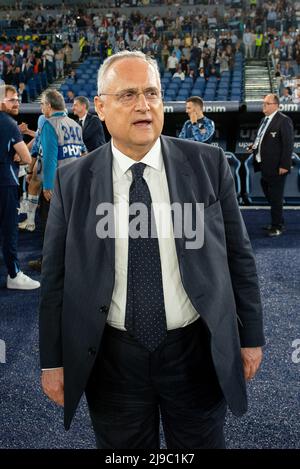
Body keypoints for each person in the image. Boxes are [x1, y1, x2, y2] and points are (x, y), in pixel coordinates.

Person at [39, 51, 264, 449]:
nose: (143, 105)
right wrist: (52, 360)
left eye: (152, 93)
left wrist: (252, 337)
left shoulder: (209, 163)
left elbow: (239, 258)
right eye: (128, 95)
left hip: (195, 352)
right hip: (112, 359)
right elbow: (55, 278)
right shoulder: (72, 181)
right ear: (101, 108)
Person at [28, 90, 86, 272]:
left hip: (57, 184)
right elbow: (84, 153)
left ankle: (49, 262)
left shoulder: (48, 125)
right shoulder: (75, 124)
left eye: (42, 104)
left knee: (50, 226)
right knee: (71, 224)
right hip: (74, 183)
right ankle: (73, 260)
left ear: (49, 106)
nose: (41, 107)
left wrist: (47, 186)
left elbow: (50, 158)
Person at [0, 84, 40, 290]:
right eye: (12, 100)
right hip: (5, 183)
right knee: (9, 232)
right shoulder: (9, 123)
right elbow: (25, 157)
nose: (17, 103)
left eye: (17, 99)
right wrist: (18, 157)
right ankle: (14, 275)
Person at [249, 94, 294, 237]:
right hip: (265, 166)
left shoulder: (284, 121)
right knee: (270, 193)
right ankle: (278, 218)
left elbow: (288, 145)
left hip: (277, 167)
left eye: (266, 103)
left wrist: (285, 165)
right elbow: (260, 138)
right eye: (263, 103)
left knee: (275, 197)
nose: (264, 106)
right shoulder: (264, 120)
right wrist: (254, 147)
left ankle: (277, 226)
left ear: (275, 105)